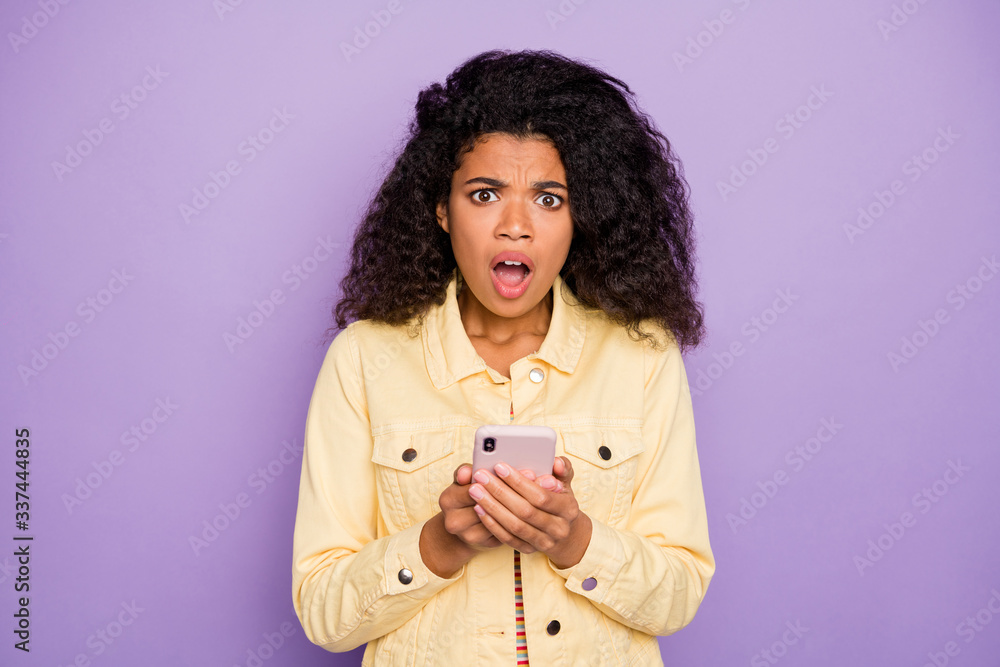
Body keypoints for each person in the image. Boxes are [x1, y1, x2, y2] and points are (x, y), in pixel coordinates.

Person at [291, 49, 714, 666]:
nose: (516, 226)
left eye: (549, 199)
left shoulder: (640, 355)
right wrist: (438, 544)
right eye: (485, 193)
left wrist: (575, 540)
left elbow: (677, 598)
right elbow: (323, 614)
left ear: (581, 216)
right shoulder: (363, 359)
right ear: (441, 208)